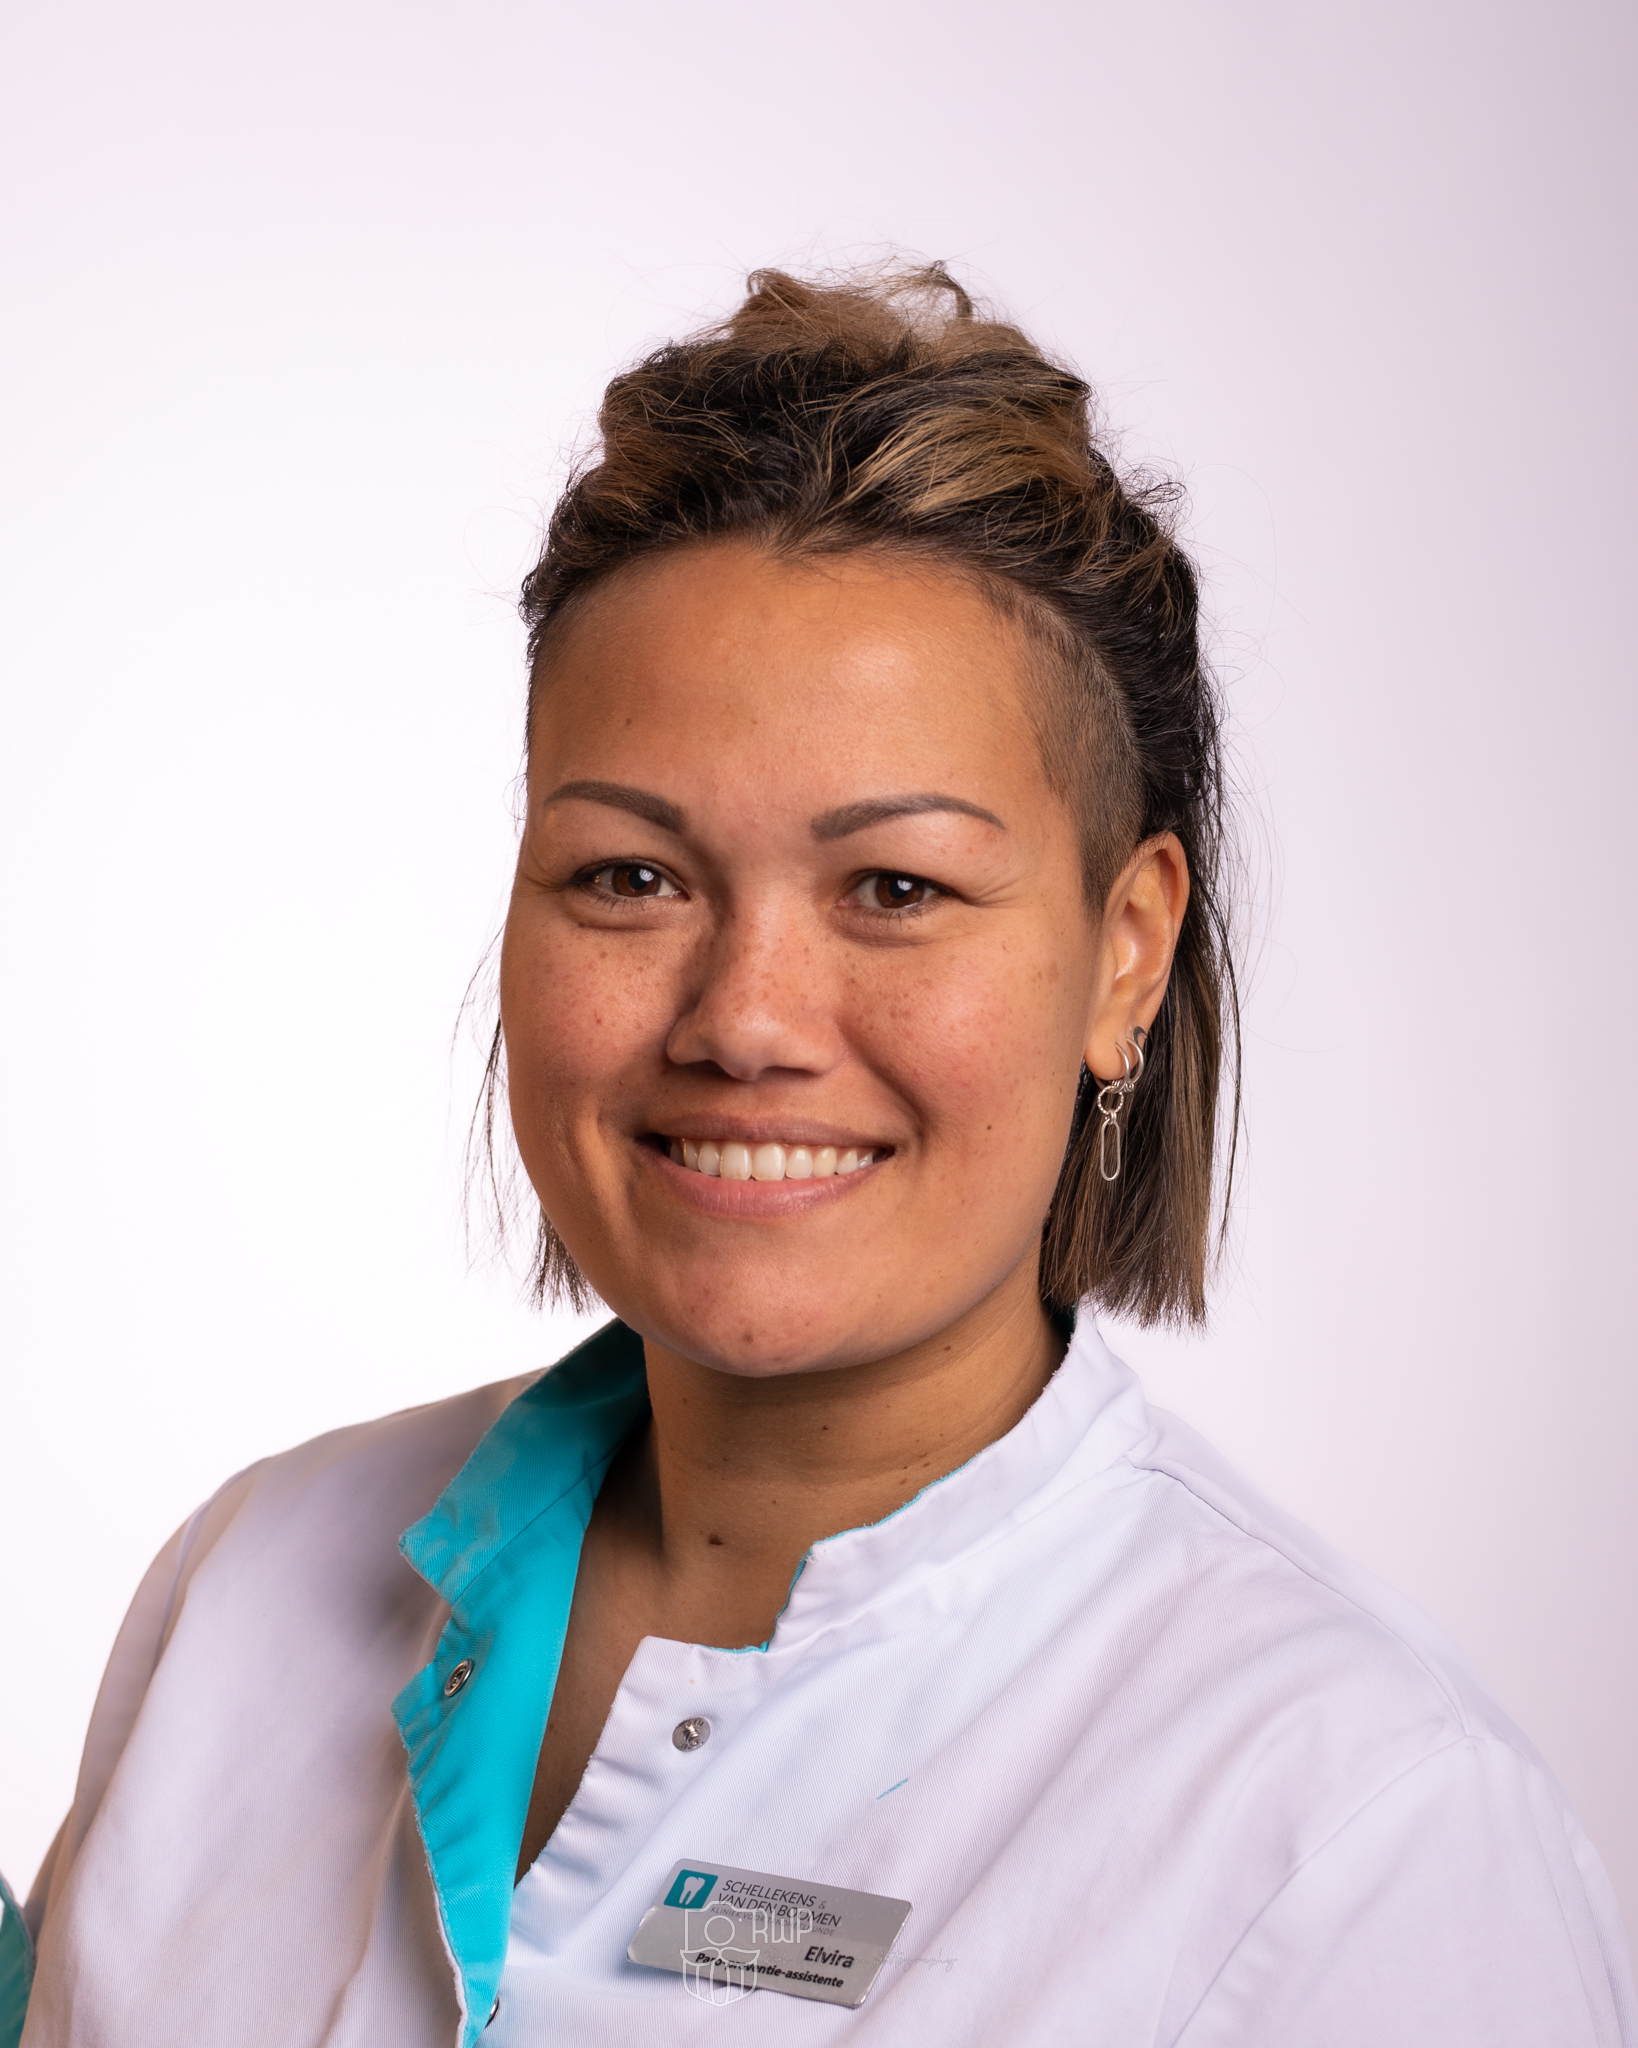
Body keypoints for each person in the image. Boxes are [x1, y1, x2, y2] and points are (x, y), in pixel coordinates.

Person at [6, 266, 1633, 2048]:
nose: (745, 1018)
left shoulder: (1357, 1827)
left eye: (896, 888)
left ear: (1125, 952)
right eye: (631, 876)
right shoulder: (251, 1580)